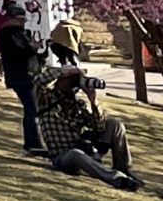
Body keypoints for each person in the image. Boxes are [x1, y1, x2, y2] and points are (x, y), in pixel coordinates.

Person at [36, 25, 144, 189]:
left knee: (115, 125)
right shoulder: (46, 98)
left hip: (86, 148)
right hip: (64, 157)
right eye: (70, 80)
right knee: (75, 154)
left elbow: (99, 127)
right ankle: (117, 179)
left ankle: (124, 169)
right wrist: (63, 71)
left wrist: (93, 100)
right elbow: (37, 82)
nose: (73, 83)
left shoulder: (77, 104)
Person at [0, 1, 46, 154]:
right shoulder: (8, 34)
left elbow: (28, 53)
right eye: (20, 19)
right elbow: (16, 54)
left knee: (33, 108)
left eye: (24, 19)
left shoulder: (23, 33)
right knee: (31, 108)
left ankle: (34, 140)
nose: (23, 23)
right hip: (20, 76)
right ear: (11, 19)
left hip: (30, 73)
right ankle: (32, 141)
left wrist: (40, 54)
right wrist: (32, 49)